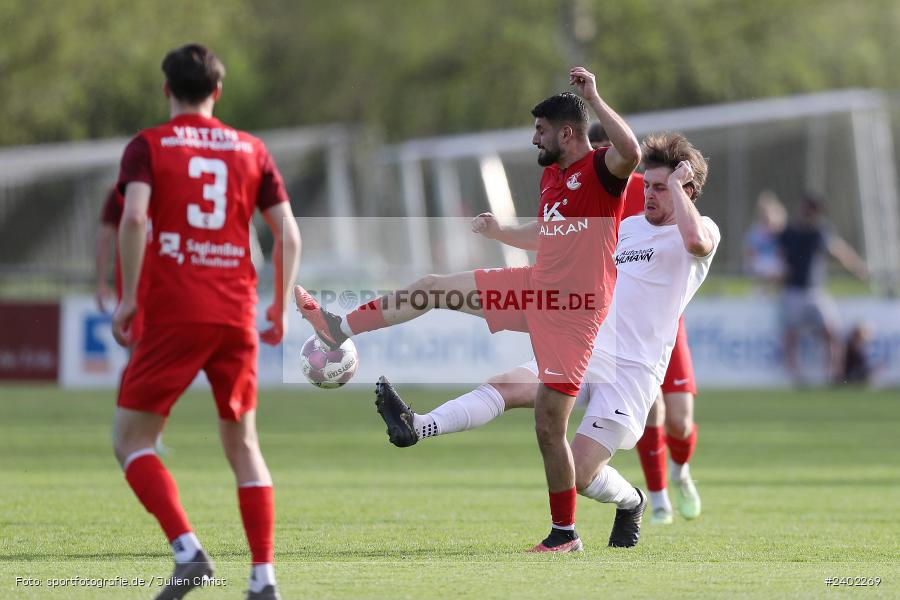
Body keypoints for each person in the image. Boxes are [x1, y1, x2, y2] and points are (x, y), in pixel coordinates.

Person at [296, 66, 641, 552]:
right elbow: (549, 234)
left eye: (540, 130)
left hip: (575, 313)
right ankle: (338, 327)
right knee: (435, 287)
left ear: (567, 133)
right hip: (533, 288)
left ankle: (565, 534)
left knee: (548, 425)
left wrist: (597, 99)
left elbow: (634, 153)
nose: (533, 138)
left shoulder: (604, 172)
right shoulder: (551, 175)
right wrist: (502, 232)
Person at [375, 132, 719, 547]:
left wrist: (678, 189)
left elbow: (696, 242)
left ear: (688, 190)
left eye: (660, 188)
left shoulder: (701, 230)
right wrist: (504, 236)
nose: (647, 195)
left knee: (580, 474)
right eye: (646, 185)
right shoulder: (627, 227)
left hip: (633, 370)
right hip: (584, 344)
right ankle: (418, 425)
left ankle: (632, 500)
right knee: (507, 385)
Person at [112, 44, 301, 600]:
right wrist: (278, 304)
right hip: (235, 312)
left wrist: (127, 300)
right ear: (218, 92)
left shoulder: (148, 146)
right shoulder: (251, 149)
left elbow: (134, 217)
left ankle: (188, 551)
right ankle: (263, 579)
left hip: (174, 311)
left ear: (166, 89)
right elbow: (287, 234)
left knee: (131, 439)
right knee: (243, 444)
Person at [591, 124, 702, 525]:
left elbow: (695, 241)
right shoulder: (599, 194)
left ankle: (681, 471)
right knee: (651, 409)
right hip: (623, 332)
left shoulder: (647, 185)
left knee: (679, 419)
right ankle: (657, 500)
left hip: (667, 326)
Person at [777, 194, 868, 385]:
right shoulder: (789, 232)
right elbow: (779, 258)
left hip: (815, 291)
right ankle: (795, 376)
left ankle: (834, 375)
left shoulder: (820, 232)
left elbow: (839, 251)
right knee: (791, 334)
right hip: (793, 291)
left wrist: (858, 268)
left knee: (832, 332)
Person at [743, 190, 787, 292]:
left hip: (775, 261)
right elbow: (750, 252)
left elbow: (783, 250)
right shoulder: (755, 232)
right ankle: (763, 290)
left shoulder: (779, 232)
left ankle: (773, 290)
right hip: (761, 262)